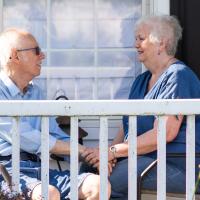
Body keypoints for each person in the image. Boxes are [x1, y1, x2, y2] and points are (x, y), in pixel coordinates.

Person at [81, 15, 200, 199]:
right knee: (88, 170)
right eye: (136, 38)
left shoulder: (178, 76)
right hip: (143, 162)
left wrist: (112, 152)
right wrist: (105, 157)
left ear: (162, 43)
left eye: (141, 39)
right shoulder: (140, 81)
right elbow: (125, 126)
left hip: (176, 167)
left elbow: (165, 133)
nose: (135, 44)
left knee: (114, 180)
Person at [0, 28, 111, 200]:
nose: (42, 56)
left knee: (98, 186)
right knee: (49, 193)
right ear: (15, 56)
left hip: (39, 170)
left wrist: (91, 155)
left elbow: (54, 134)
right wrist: (80, 149)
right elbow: (26, 137)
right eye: (36, 51)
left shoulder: (35, 93)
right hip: (7, 173)